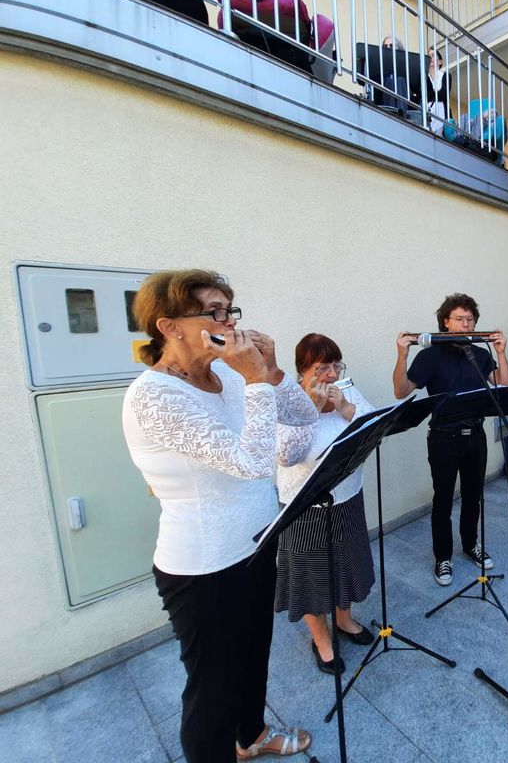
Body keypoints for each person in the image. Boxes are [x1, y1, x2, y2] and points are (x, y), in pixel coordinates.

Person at [122, 269, 317, 762]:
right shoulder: (154, 396)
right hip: (204, 566)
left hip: (256, 543)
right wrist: (255, 381)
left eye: (230, 310)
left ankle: (251, 736)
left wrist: (271, 370)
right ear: (169, 326)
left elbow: (303, 415)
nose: (229, 322)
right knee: (212, 688)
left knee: (253, 657)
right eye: (213, 312)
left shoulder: (228, 374)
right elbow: (252, 463)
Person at [393, 293, 508, 585]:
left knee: (473, 495)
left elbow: (505, 386)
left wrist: (500, 352)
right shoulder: (430, 356)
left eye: (470, 319)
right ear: (446, 322)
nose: (465, 324)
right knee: (443, 498)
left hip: (476, 436)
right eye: (459, 319)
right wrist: (402, 355)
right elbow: (401, 391)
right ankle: (443, 556)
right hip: (443, 438)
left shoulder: (478, 354)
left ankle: (470, 544)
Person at [275, 334, 376, 675]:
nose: (332, 375)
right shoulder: (287, 401)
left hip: (348, 497)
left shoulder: (346, 390)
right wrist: (312, 410)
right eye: (322, 368)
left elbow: (373, 424)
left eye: (336, 365)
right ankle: (321, 640)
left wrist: (347, 408)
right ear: (303, 370)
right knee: (312, 577)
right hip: (306, 507)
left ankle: (344, 620)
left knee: (346, 566)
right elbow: (286, 456)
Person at [425, 46, 451, 134]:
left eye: (433, 55)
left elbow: (443, 95)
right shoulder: (425, 77)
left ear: (440, 62)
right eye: (428, 56)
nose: (430, 58)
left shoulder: (445, 76)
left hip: (441, 114)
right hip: (428, 114)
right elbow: (423, 96)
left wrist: (430, 94)